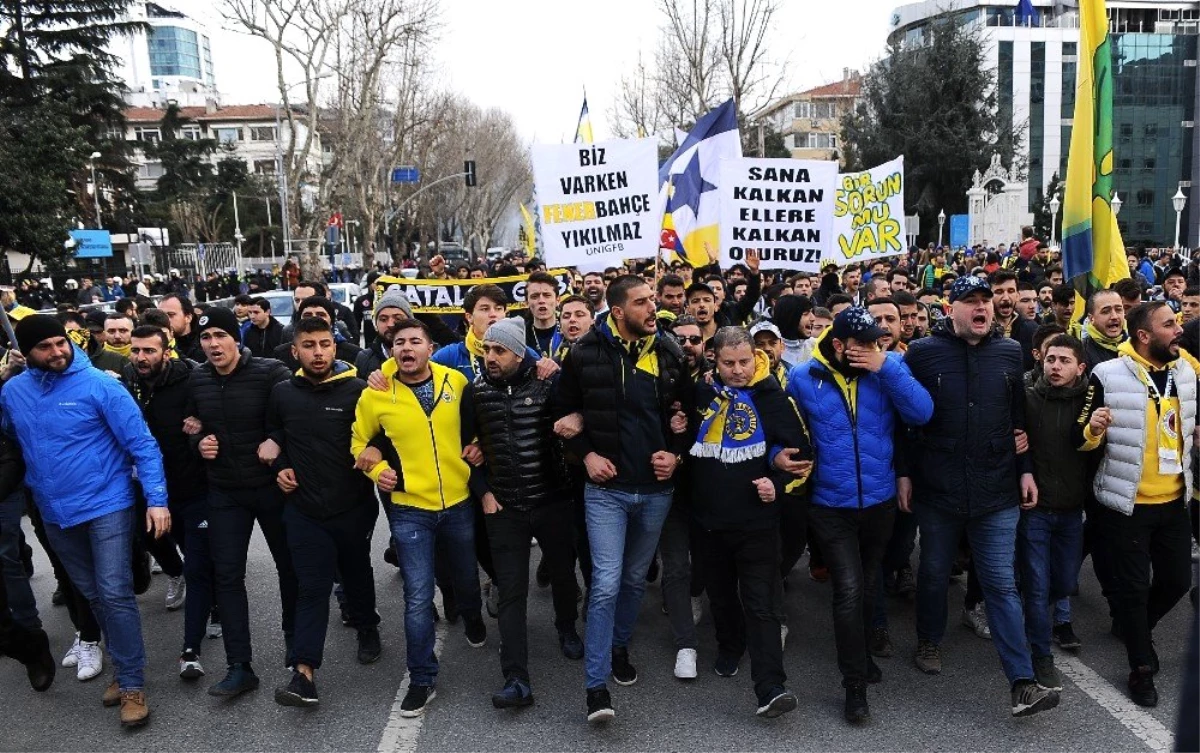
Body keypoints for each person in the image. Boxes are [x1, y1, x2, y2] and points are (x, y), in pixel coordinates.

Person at [902, 277, 1060, 717]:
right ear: (950, 309)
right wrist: (904, 474)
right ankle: (929, 640)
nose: (981, 308)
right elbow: (905, 423)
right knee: (933, 572)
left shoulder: (1009, 352)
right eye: (970, 301)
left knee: (1001, 585)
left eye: (985, 301)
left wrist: (1025, 470)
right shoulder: (922, 353)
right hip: (938, 488)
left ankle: (1023, 682)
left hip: (996, 489)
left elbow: (1018, 421)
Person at [1, 315, 170, 727]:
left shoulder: (102, 385)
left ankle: (132, 685)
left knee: (114, 593)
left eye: (62, 342)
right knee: (93, 595)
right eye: (46, 347)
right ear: (26, 352)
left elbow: (143, 446)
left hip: (106, 504)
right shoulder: (13, 392)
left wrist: (157, 501)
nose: (58, 351)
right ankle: (122, 669)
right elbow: (8, 442)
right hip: (54, 512)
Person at [553, 274, 692, 724]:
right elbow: (557, 416)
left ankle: (618, 647)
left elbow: (688, 419)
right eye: (642, 303)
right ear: (617, 312)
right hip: (606, 493)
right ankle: (596, 687)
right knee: (607, 582)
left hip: (656, 493)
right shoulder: (584, 354)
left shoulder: (671, 353)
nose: (653, 309)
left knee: (634, 581)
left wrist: (676, 455)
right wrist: (587, 455)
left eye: (653, 300)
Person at [787, 307, 932, 723]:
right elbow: (787, 430)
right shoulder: (803, 376)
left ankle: (864, 654)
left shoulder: (889, 368)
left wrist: (885, 366)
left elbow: (922, 412)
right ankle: (854, 685)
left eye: (878, 342)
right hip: (830, 505)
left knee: (870, 585)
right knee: (848, 589)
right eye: (864, 345)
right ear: (838, 345)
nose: (874, 348)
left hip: (879, 502)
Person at [350, 319, 487, 718]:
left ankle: (474, 615)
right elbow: (359, 443)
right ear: (391, 351)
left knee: (465, 577)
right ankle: (422, 677)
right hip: (410, 508)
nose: (406, 348)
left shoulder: (455, 381)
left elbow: (475, 428)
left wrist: (476, 447)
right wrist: (377, 472)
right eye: (398, 343)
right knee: (417, 596)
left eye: (415, 341)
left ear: (430, 347)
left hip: (459, 502)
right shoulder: (375, 394)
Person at [689, 327, 809, 718]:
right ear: (715, 361)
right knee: (721, 594)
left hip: (757, 523)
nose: (738, 370)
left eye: (744, 361)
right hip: (708, 521)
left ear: (755, 357)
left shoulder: (773, 396)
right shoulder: (700, 393)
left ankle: (771, 686)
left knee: (762, 604)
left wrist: (776, 480)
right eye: (729, 363)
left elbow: (801, 454)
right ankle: (729, 645)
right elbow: (680, 438)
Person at [1081, 301, 1196, 707]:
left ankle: (1136, 628)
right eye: (1169, 324)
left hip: (1173, 501)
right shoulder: (1106, 373)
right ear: (1144, 336)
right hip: (1125, 503)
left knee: (1177, 581)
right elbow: (1081, 434)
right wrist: (1093, 430)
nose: (1178, 328)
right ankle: (1141, 667)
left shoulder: (1187, 371)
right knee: (1131, 589)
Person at [267, 317, 380, 708]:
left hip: (352, 506)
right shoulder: (282, 393)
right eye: (309, 345)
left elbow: (381, 434)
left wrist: (376, 451)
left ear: (335, 347)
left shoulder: (359, 391)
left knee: (355, 573)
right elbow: (275, 433)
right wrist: (278, 461)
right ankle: (303, 674)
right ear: (295, 351)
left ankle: (367, 626)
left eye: (325, 344)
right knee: (311, 587)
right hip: (304, 510)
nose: (318, 352)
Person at [185, 306, 297, 698]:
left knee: (291, 568)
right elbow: (190, 424)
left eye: (220, 335)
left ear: (237, 338)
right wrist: (199, 442)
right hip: (225, 492)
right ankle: (239, 666)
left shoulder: (270, 372)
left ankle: (297, 654)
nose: (213, 345)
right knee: (227, 576)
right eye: (205, 338)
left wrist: (277, 440)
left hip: (271, 489)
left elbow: (294, 417)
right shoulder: (196, 379)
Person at [472, 317, 582, 709]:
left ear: (519, 354)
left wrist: (576, 419)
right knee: (511, 591)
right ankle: (516, 678)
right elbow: (465, 450)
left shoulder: (548, 383)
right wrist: (483, 490)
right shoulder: (476, 391)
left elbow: (578, 413)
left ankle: (567, 627)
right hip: (504, 507)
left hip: (552, 501)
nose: (490, 357)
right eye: (486, 349)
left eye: (498, 350)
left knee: (564, 575)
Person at [124, 325, 213, 680]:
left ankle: (192, 647)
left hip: (190, 485)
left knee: (199, 559)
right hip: (146, 489)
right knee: (151, 540)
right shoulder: (125, 382)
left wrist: (201, 423)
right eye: (136, 351)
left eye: (149, 351)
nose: (141, 358)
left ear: (167, 351)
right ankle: (175, 575)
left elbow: (213, 411)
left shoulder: (190, 378)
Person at [1019, 334, 1095, 694]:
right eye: (1051, 359)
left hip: (1072, 511)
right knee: (1037, 587)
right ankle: (1039, 654)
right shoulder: (1029, 398)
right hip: (1036, 510)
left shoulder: (1091, 402)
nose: (1055, 367)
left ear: (1080, 368)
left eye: (1065, 361)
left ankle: (1029, 617)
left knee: (1064, 583)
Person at [272, 296, 361, 371]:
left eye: (320, 315)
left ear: (332, 321)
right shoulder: (282, 353)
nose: (314, 318)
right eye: (307, 315)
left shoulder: (353, 354)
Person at [1082, 289, 1127, 371]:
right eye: (1106, 312)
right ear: (1091, 318)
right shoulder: (1082, 353)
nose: (1114, 316)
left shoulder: (1137, 345)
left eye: (1118, 309)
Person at [158, 293, 206, 362]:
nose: (164, 320)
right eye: (160, 316)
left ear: (188, 317)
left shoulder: (204, 345)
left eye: (171, 315)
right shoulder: (155, 343)